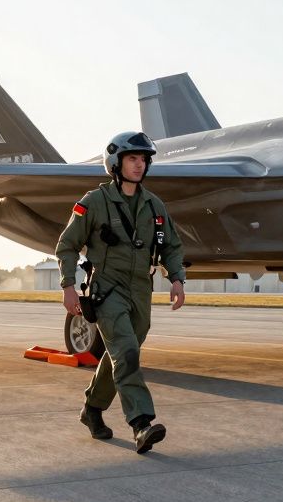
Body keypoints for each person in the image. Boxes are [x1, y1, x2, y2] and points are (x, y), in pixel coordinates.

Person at [56, 130, 187, 454]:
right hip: (106, 288)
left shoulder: (154, 205)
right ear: (116, 163)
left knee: (121, 356)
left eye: (143, 159)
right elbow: (68, 245)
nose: (139, 165)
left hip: (141, 290)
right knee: (126, 351)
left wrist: (177, 279)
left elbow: (172, 245)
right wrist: (68, 286)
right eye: (132, 159)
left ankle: (92, 409)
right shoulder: (94, 202)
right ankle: (141, 423)